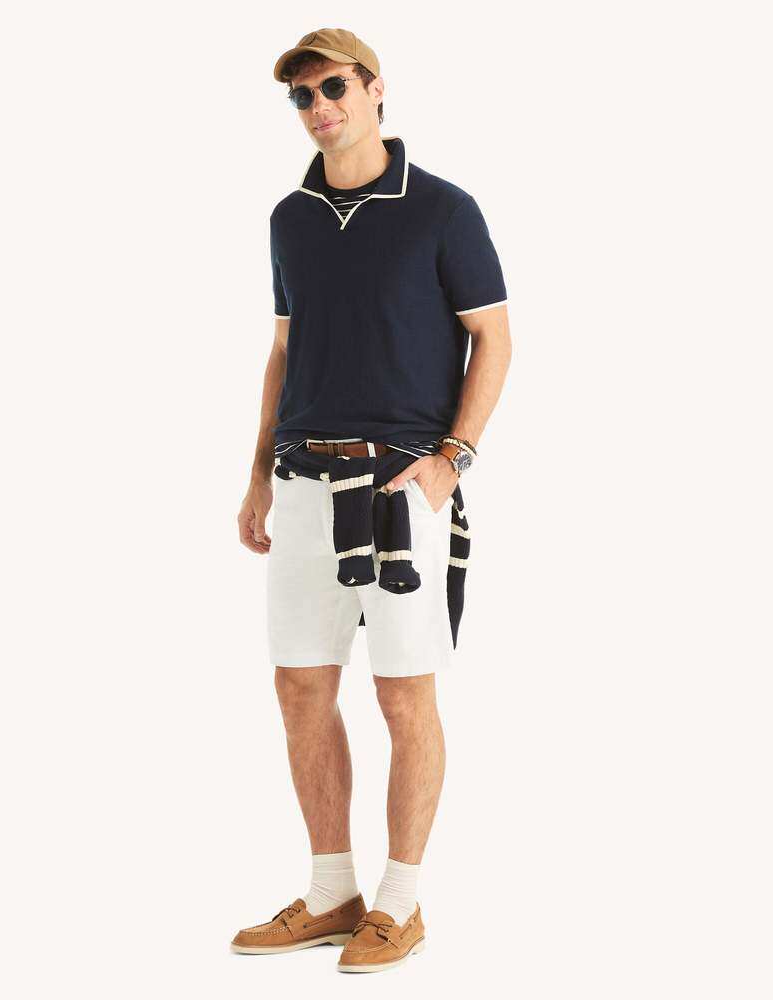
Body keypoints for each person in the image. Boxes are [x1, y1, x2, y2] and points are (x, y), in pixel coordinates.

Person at [233, 28, 511, 974]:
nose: (320, 107)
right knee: (300, 688)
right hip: (304, 480)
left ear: (375, 88)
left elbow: (494, 337)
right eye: (302, 96)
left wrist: (453, 460)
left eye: (334, 87)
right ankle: (330, 894)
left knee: (403, 693)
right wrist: (257, 472)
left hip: (401, 487)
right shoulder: (290, 218)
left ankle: (400, 903)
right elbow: (284, 350)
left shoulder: (443, 209)